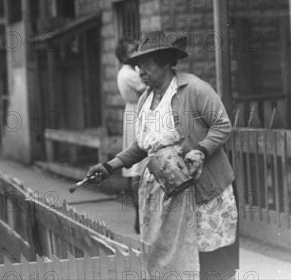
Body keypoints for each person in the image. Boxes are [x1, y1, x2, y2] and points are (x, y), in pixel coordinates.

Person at [88, 31, 238, 280]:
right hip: (164, 193)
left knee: (208, 260)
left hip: (201, 190)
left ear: (166, 62)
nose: (140, 72)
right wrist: (109, 166)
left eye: (146, 65)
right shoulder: (145, 99)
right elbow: (143, 145)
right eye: (138, 66)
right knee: (170, 258)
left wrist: (200, 151)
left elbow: (222, 124)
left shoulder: (195, 89)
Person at [115, 40, 146, 234]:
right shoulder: (129, 73)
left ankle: (140, 217)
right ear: (124, 55)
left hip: (132, 112)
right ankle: (140, 216)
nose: (136, 52)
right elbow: (147, 89)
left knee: (137, 167)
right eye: (132, 51)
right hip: (137, 111)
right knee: (137, 166)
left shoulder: (127, 71)